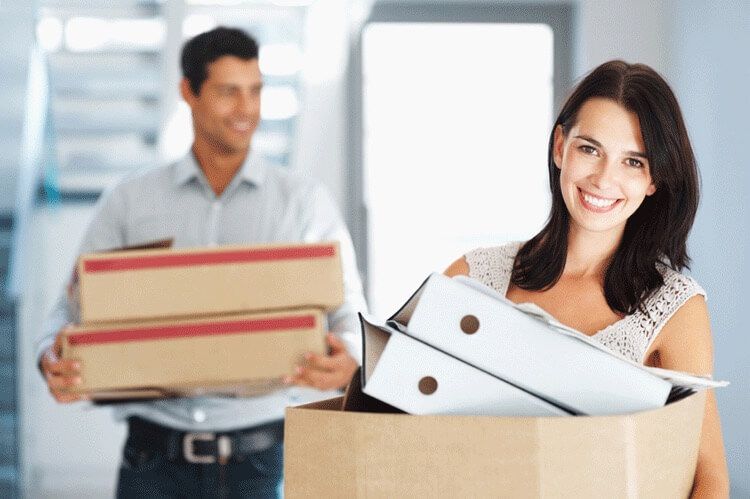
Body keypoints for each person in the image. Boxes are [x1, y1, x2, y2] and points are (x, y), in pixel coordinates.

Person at [36, 27, 367, 498]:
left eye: (255, 91)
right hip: (152, 461)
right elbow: (67, 313)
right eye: (228, 92)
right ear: (187, 92)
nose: (246, 110)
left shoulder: (304, 202)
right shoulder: (129, 202)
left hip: (262, 461)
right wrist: (50, 357)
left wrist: (350, 357)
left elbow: (348, 307)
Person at [445, 60, 729, 497]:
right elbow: (398, 398)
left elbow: (708, 478)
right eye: (589, 149)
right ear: (560, 146)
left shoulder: (675, 307)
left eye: (633, 161)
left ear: (654, 180)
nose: (604, 179)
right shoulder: (474, 276)